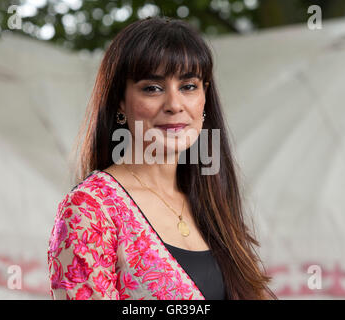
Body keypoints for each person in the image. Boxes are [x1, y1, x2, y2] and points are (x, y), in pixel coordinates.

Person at [47, 16, 276, 300]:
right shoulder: (91, 210)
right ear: (120, 101)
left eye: (189, 86)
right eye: (152, 88)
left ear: (205, 98)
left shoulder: (210, 200)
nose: (174, 105)